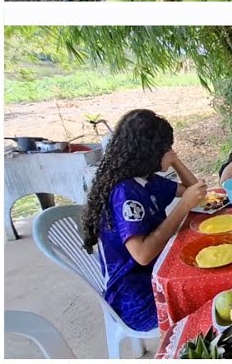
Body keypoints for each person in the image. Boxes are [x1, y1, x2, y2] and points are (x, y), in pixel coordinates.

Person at [80, 109, 207, 332]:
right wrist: (183, 206)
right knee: (207, 295)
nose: (171, 151)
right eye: (166, 148)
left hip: (157, 272)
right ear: (149, 152)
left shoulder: (146, 180)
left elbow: (194, 190)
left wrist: (174, 160)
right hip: (136, 298)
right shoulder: (125, 193)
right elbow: (143, 254)